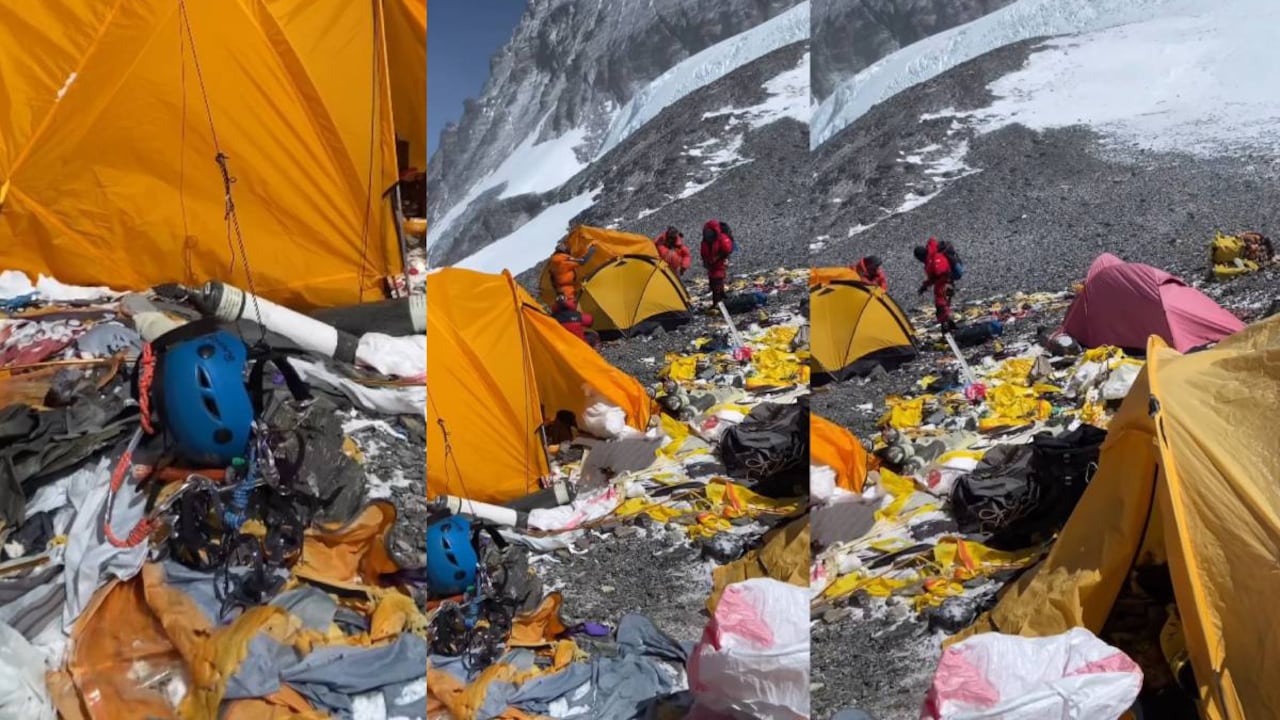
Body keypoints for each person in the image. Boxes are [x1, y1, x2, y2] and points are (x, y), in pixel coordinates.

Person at [914, 237, 956, 333]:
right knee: (945, 305)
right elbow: (933, 277)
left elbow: (939, 274)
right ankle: (949, 325)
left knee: (941, 306)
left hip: (944, 285)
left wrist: (930, 283)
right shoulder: (932, 256)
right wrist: (925, 286)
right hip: (947, 284)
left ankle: (946, 328)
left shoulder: (933, 259)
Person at [547, 239, 596, 305]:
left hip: (560, 291)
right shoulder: (563, 260)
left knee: (569, 308)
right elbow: (582, 261)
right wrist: (592, 249)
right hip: (568, 292)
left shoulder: (553, 262)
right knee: (572, 306)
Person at [699, 220, 735, 305]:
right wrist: (706, 261)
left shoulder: (722, 239)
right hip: (711, 265)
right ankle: (721, 296)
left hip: (719, 263)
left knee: (717, 280)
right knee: (713, 281)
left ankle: (717, 301)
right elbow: (703, 252)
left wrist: (717, 258)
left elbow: (726, 250)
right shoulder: (706, 241)